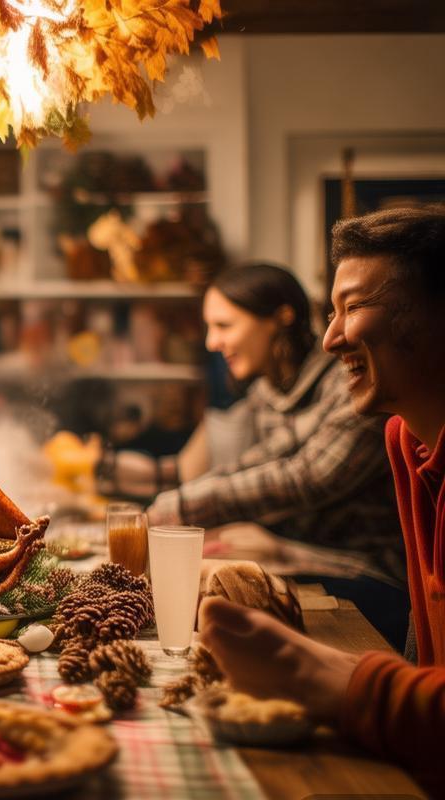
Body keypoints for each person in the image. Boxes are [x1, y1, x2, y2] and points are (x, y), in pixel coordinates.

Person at [200, 204, 445, 794]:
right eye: (330, 313)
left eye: (354, 308)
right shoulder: (406, 436)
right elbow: (424, 647)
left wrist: (313, 672)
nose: (332, 339)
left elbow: (302, 479)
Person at [107, 263, 406, 645]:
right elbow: (257, 464)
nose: (211, 342)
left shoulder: (352, 382)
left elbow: (304, 479)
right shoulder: (271, 393)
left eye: (224, 326)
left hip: (372, 582)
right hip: (307, 565)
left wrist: (175, 509)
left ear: (281, 318)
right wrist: (165, 502)